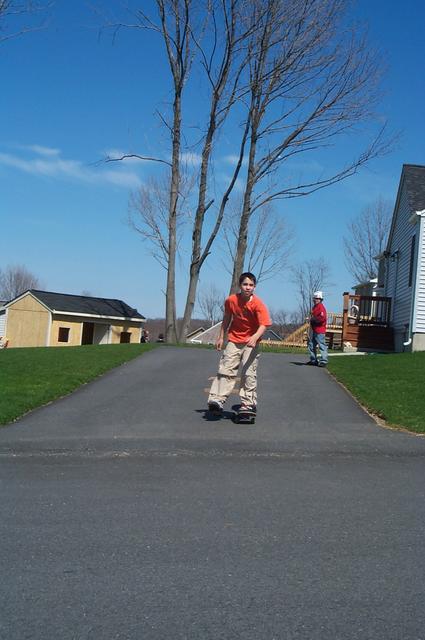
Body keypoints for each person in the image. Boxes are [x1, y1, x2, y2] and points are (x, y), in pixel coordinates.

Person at [207, 272, 271, 415]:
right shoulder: (231, 300)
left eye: (251, 285)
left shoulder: (258, 304)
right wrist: (221, 337)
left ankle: (248, 403)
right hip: (234, 340)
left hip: (251, 342)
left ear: (254, 287)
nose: (248, 287)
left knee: (249, 373)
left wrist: (255, 337)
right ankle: (217, 399)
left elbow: (264, 324)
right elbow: (227, 318)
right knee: (226, 369)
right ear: (240, 286)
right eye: (245, 284)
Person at [307, 290, 328, 367]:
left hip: (320, 330)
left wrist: (312, 319)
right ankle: (313, 360)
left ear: (320, 299)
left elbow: (322, 318)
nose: (315, 300)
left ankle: (324, 361)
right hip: (314, 329)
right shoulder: (315, 307)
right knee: (311, 345)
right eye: (315, 298)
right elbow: (314, 316)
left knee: (322, 345)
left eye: (317, 299)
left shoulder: (321, 307)